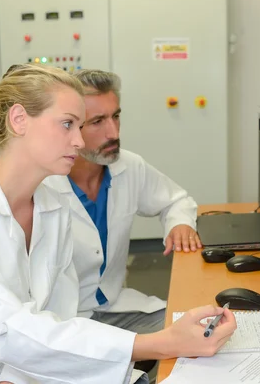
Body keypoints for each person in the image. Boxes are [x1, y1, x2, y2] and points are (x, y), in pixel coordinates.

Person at [0, 64, 236, 384]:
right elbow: (6, 330)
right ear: (19, 120)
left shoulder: (49, 208)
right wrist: (157, 344)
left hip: (20, 368)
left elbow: (58, 315)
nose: (80, 141)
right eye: (68, 124)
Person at [44, 70, 201, 343]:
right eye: (97, 122)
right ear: (68, 126)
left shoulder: (128, 166)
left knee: (199, 329)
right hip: (64, 324)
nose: (113, 132)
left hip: (117, 309)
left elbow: (176, 199)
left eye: (116, 116)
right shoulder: (42, 185)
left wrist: (180, 224)